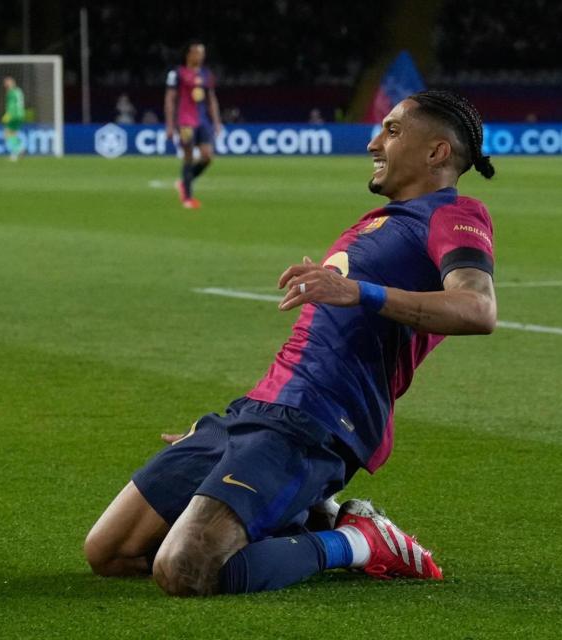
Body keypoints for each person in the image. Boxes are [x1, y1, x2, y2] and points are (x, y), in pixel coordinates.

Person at [84, 90, 498, 597]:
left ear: (437, 153)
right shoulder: (376, 223)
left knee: (185, 568)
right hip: (257, 413)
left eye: (391, 131)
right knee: (109, 552)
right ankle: (310, 509)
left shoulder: (455, 215)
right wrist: (235, 429)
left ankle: (360, 540)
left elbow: (478, 309)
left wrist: (358, 291)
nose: (374, 142)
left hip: (319, 422)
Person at [164, 41, 223, 209]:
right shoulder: (177, 73)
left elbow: (211, 99)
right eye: (198, 52)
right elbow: (170, 98)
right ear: (189, 55)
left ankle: (184, 183)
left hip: (203, 121)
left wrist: (217, 122)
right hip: (185, 121)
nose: (201, 56)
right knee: (188, 157)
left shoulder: (206, 74)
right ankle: (188, 198)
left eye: (203, 53)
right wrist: (169, 125)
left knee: (208, 156)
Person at [2, 77, 25, 161]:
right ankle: (14, 155)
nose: (4, 85)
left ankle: (19, 149)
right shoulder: (19, 91)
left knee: (7, 134)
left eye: (6, 83)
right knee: (14, 134)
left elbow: (11, 105)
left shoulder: (10, 92)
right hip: (21, 114)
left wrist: (7, 115)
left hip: (13, 115)